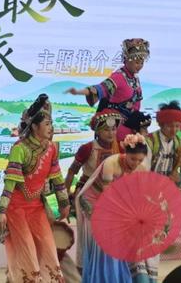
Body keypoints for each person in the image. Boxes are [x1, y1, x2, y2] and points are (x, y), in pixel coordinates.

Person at [0, 94, 70, 282]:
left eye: (51, 123)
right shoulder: (20, 148)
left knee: (49, 250)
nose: (51, 127)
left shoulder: (52, 148)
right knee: (27, 252)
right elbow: (9, 184)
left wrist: (64, 203)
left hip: (37, 207)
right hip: (17, 209)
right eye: (47, 124)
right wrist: (2, 211)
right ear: (35, 127)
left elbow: (57, 178)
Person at [76, 133, 151, 282]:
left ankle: (117, 277)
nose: (136, 163)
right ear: (125, 153)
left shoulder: (142, 169)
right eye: (133, 159)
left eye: (140, 160)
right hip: (94, 201)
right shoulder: (111, 163)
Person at [64, 105, 123, 273]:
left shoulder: (120, 147)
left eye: (113, 129)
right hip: (87, 195)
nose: (111, 133)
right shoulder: (88, 148)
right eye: (106, 130)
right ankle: (85, 270)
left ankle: (106, 271)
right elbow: (72, 172)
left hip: (110, 196)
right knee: (89, 235)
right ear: (97, 131)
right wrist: (65, 196)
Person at [65, 38, 149, 141]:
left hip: (131, 125)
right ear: (126, 59)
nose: (140, 66)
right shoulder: (118, 77)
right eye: (137, 62)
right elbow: (100, 89)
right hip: (117, 127)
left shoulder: (135, 79)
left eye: (142, 63)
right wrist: (78, 92)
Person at [145, 100, 181, 188]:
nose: (174, 130)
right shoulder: (149, 141)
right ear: (161, 125)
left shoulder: (179, 143)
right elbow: (143, 168)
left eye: (177, 126)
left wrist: (179, 175)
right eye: (170, 126)